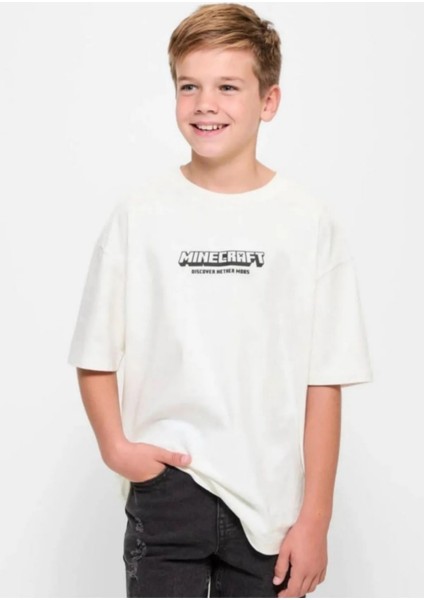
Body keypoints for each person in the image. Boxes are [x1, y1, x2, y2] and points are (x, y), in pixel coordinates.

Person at [67, 3, 373, 598]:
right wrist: (119, 452)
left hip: (271, 503)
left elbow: (325, 380)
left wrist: (315, 518)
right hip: (167, 490)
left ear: (269, 101)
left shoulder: (308, 222)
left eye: (228, 87)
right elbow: (94, 352)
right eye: (190, 86)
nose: (205, 103)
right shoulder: (139, 216)